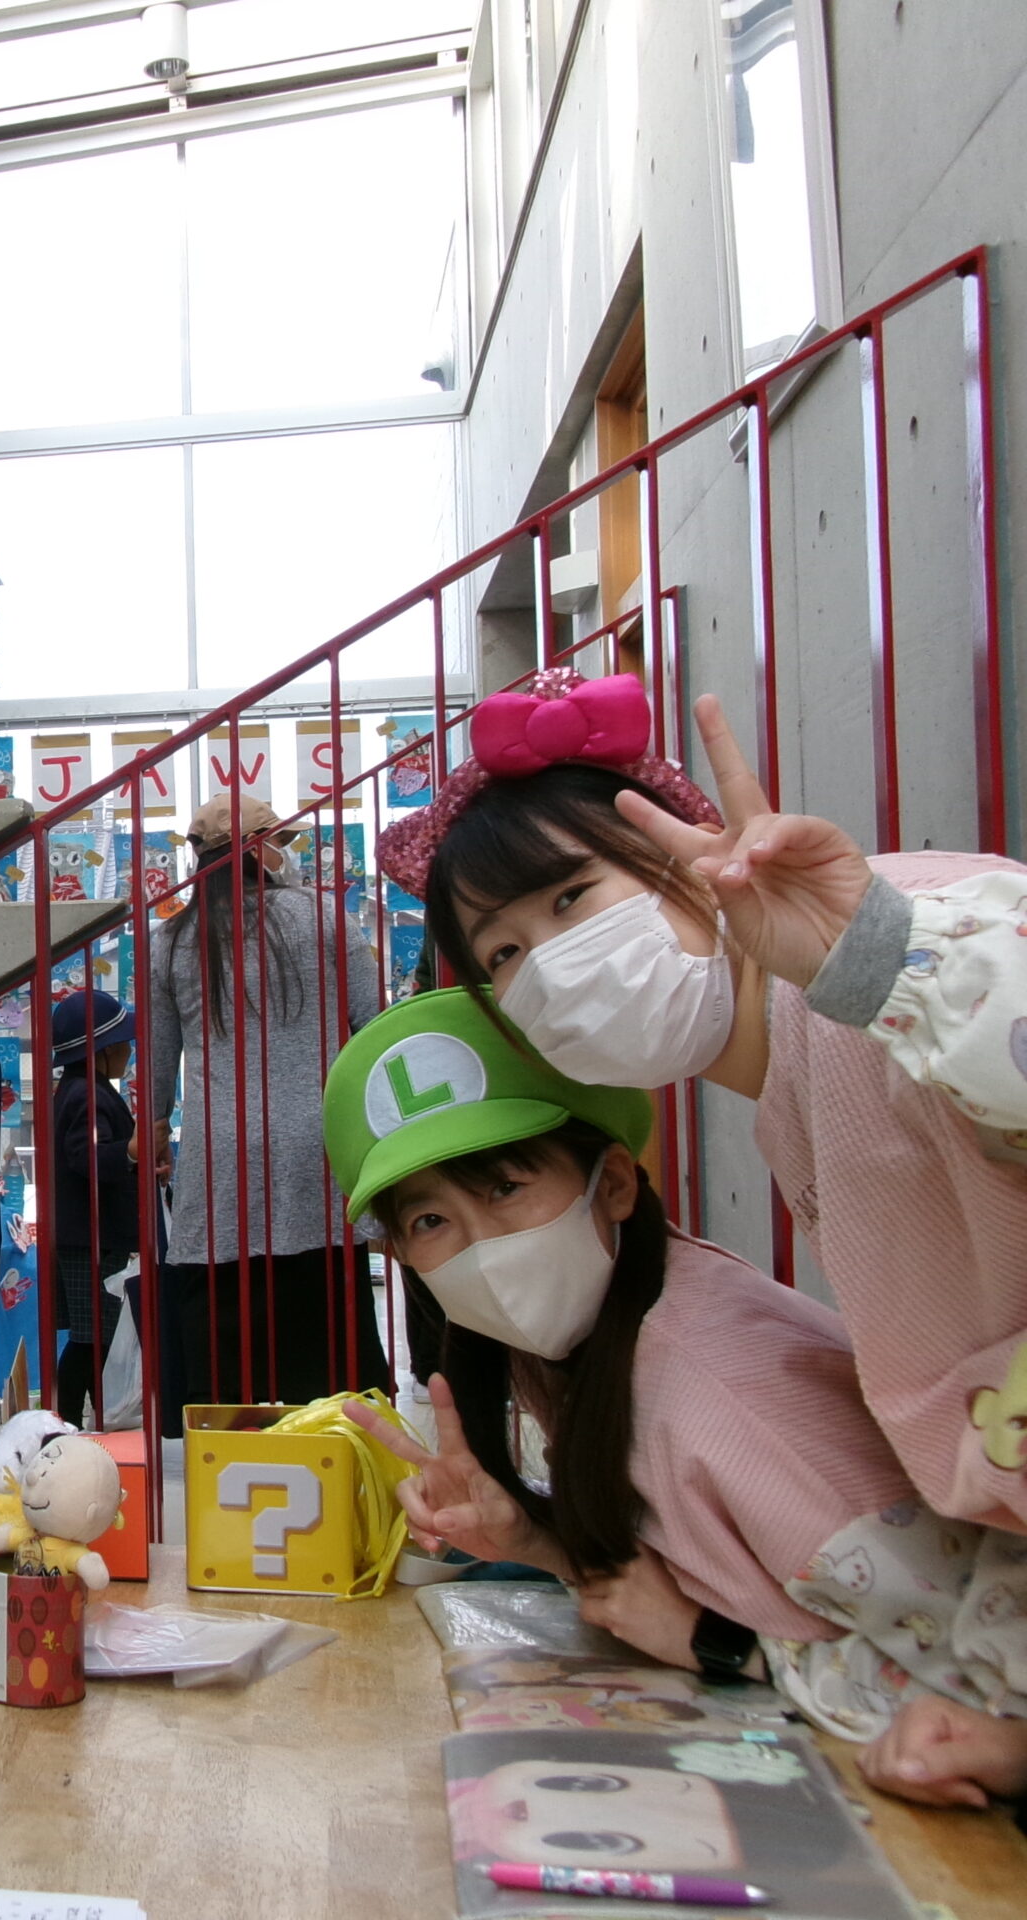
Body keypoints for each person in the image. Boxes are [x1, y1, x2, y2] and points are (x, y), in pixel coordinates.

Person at [327, 990, 1027, 1812]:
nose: (485, 1247)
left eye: (507, 1187)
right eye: (431, 1220)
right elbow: (658, 1575)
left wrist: (717, 1644)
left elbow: (967, 1708)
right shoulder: (593, 1334)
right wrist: (532, 1541)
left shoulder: (731, 1397)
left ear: (614, 1183)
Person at [378, 669, 1027, 1536]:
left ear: (684, 854)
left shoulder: (901, 934)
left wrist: (872, 955)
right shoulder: (790, 1089)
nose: (553, 966)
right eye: (504, 953)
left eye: (572, 897)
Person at [149, 793, 387, 1423]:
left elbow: (158, 1060)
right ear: (263, 849)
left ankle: (234, 1454)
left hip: (219, 1158)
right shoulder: (325, 917)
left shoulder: (170, 941)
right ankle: (339, 1450)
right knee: (329, 1337)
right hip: (319, 1146)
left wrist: (154, 1131)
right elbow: (373, 1028)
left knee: (227, 1349)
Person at [48, 988, 157, 1429]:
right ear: (101, 1051)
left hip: (89, 1237)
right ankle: (73, 1421)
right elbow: (86, 1157)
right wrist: (131, 1151)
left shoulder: (82, 1091)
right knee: (92, 1337)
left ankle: (89, 1418)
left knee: (95, 1336)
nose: (129, 1051)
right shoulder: (86, 1097)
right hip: (90, 1240)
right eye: (123, 1043)